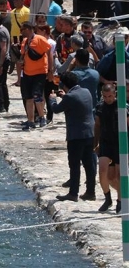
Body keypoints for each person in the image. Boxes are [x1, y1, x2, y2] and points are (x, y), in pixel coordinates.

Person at [50, 71, 97, 202]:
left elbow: (56, 109)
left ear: (64, 85)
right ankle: (90, 192)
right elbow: (76, 102)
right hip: (90, 133)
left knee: (74, 164)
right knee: (89, 164)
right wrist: (65, 96)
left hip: (76, 136)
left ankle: (73, 193)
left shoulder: (69, 97)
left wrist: (52, 99)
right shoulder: (86, 91)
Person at [19, 22, 52, 130]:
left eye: (23, 29)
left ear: (28, 29)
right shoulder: (24, 41)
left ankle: (42, 117)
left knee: (37, 95)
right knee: (28, 97)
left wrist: (50, 70)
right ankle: (31, 120)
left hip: (39, 72)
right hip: (27, 73)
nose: (21, 32)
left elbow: (49, 52)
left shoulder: (40, 39)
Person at [94, 84, 121, 212]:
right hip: (105, 142)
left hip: (119, 143)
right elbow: (97, 125)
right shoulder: (100, 106)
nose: (108, 99)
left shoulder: (121, 105)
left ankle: (120, 201)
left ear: (114, 94)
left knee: (117, 176)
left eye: (110, 96)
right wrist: (95, 142)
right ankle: (107, 198)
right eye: (105, 96)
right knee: (103, 172)